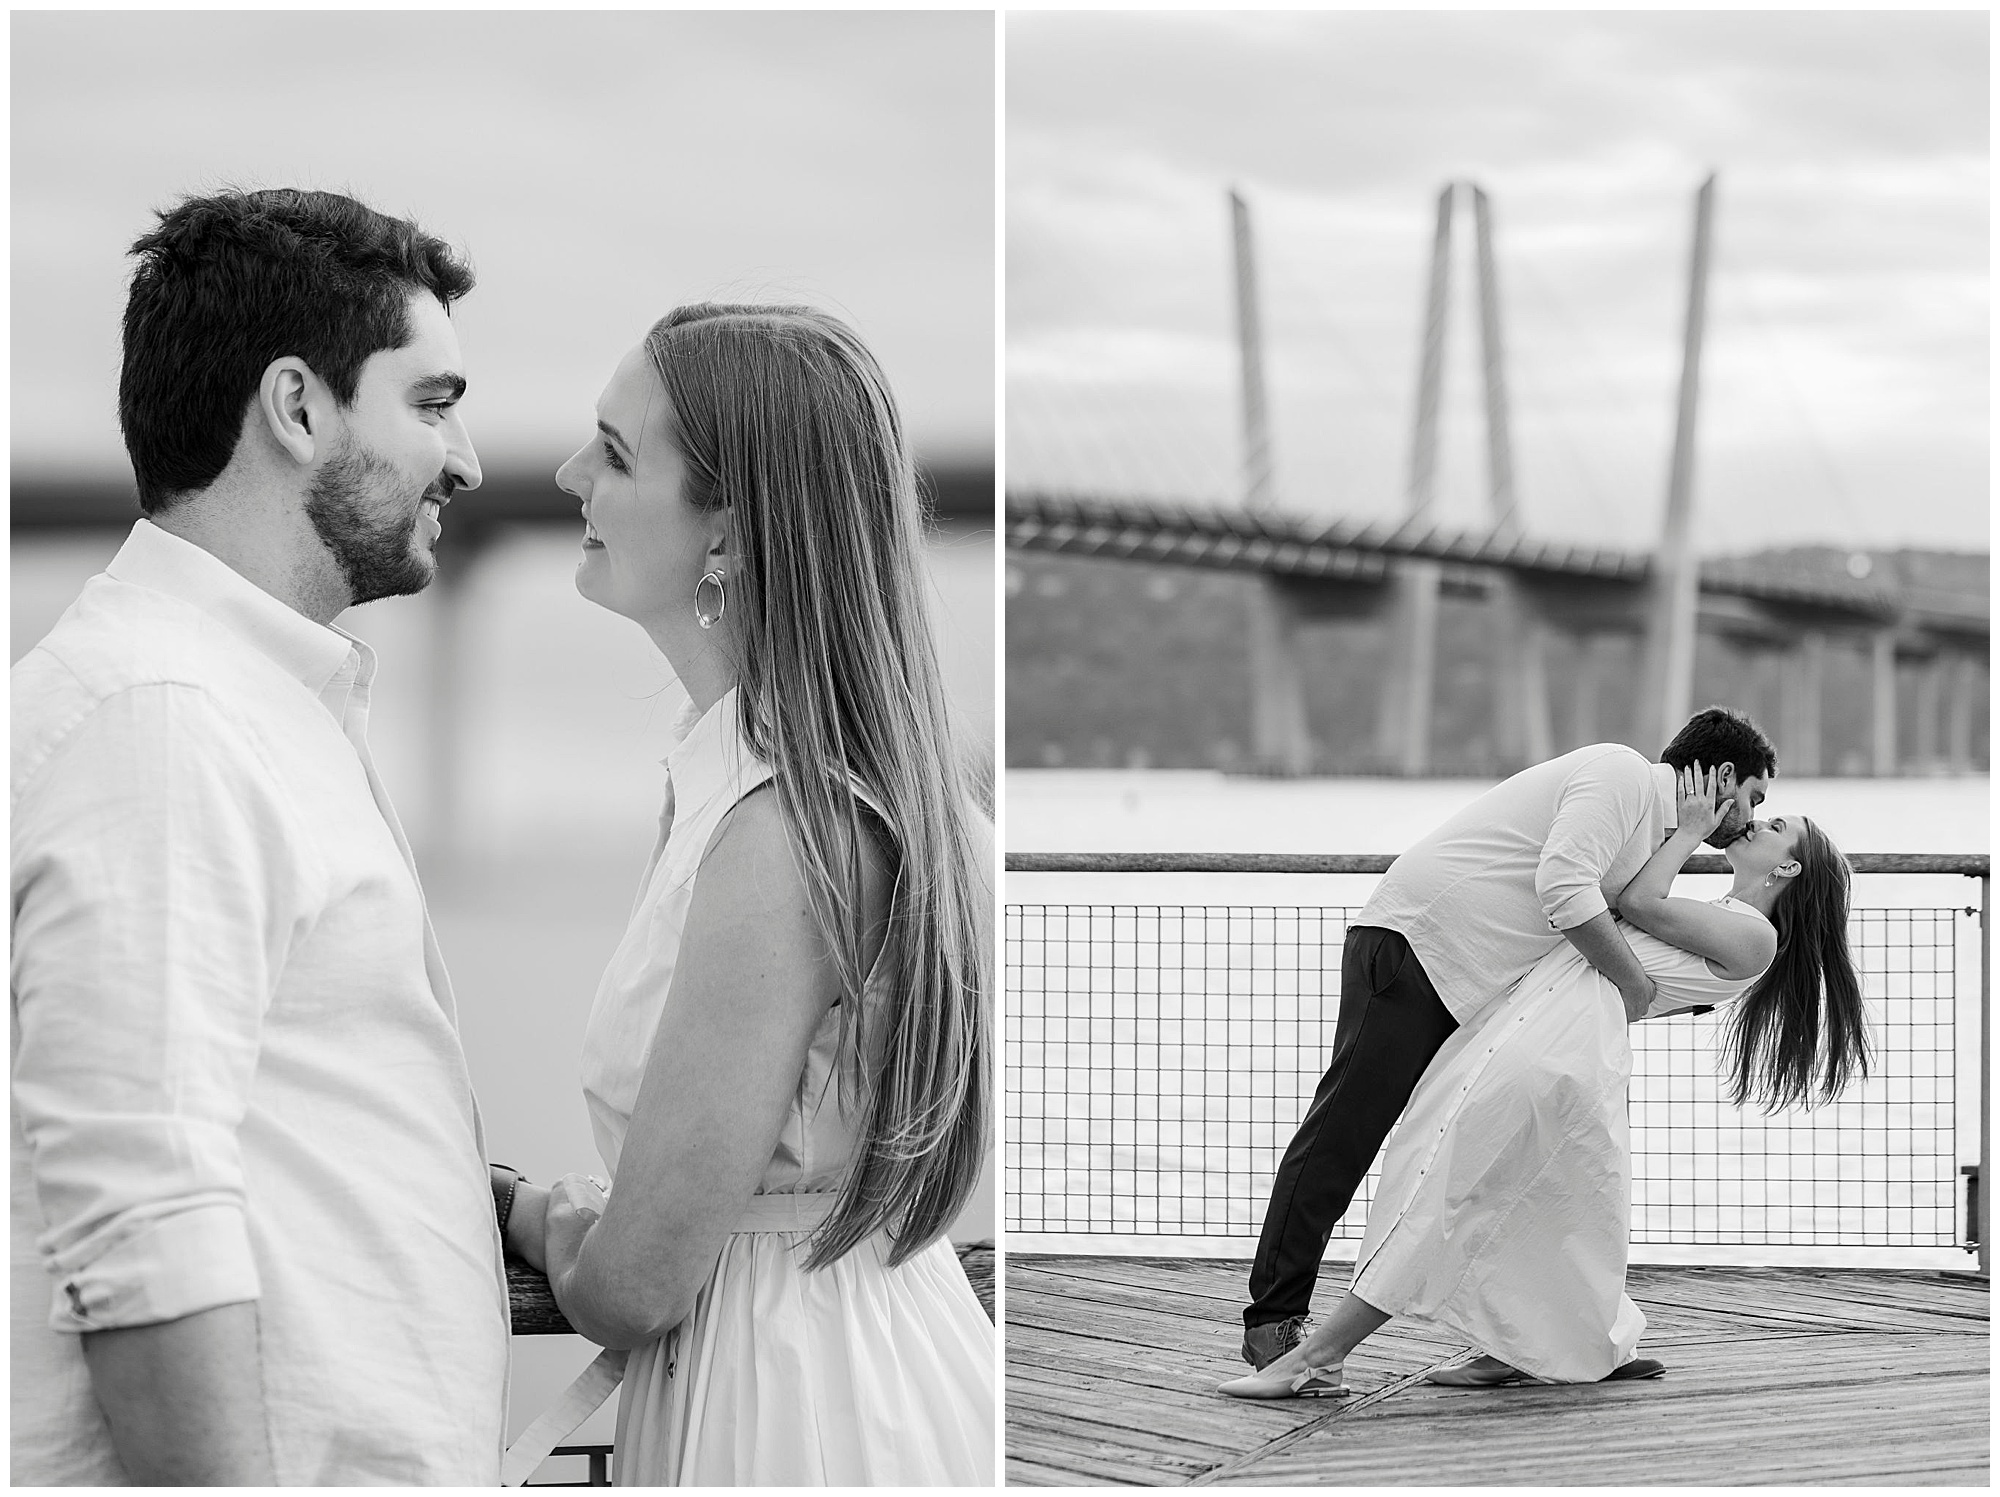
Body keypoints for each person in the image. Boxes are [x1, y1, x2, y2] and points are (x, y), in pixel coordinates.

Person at [11, 189, 508, 1483]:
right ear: (297, 407)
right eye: (434, 403)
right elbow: (146, 1222)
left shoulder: (240, 704)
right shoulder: (161, 723)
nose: (466, 462)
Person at [498, 305, 994, 1485]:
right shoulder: (853, 787)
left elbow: (635, 1282)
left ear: (728, 526)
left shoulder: (783, 832)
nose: (568, 474)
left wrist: (518, 1204)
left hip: (784, 1416)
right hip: (867, 1364)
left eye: (614, 452)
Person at [1219, 766, 1869, 1398]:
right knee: (1541, 1210)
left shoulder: (1753, 936)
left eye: (1775, 822)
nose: (1755, 820)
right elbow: (1614, 902)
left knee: (1443, 1200)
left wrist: (1688, 825)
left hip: (1552, 1052)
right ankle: (1513, 1349)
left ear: (1787, 867)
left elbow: (1634, 901)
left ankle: (1318, 1357)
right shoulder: (1726, 917)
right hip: (1557, 1045)